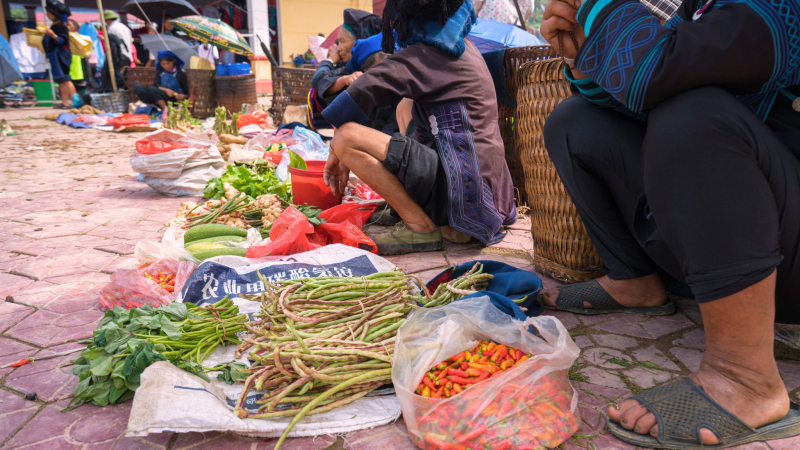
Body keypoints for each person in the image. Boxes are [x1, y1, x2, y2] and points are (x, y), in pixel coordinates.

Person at [538, 0, 800, 446]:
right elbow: (639, 99)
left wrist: (595, 6)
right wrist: (583, 57)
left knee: (694, 113)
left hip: (785, 266)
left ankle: (746, 378)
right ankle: (635, 283)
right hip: (728, 241)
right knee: (575, 121)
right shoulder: (704, 10)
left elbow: (660, 73)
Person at [321, 0, 517, 255]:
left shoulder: (428, 54)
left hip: (467, 191)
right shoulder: (461, 47)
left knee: (346, 138)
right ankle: (418, 212)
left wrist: (336, 150)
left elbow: (363, 91)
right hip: (487, 189)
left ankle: (420, 226)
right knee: (406, 108)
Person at [43, 1, 77, 109]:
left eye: (48, 12)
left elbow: (63, 40)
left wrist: (52, 35)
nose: (47, 14)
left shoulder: (59, 26)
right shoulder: (55, 25)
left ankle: (76, 101)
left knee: (65, 78)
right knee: (61, 80)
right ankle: (65, 102)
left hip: (60, 55)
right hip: (56, 55)